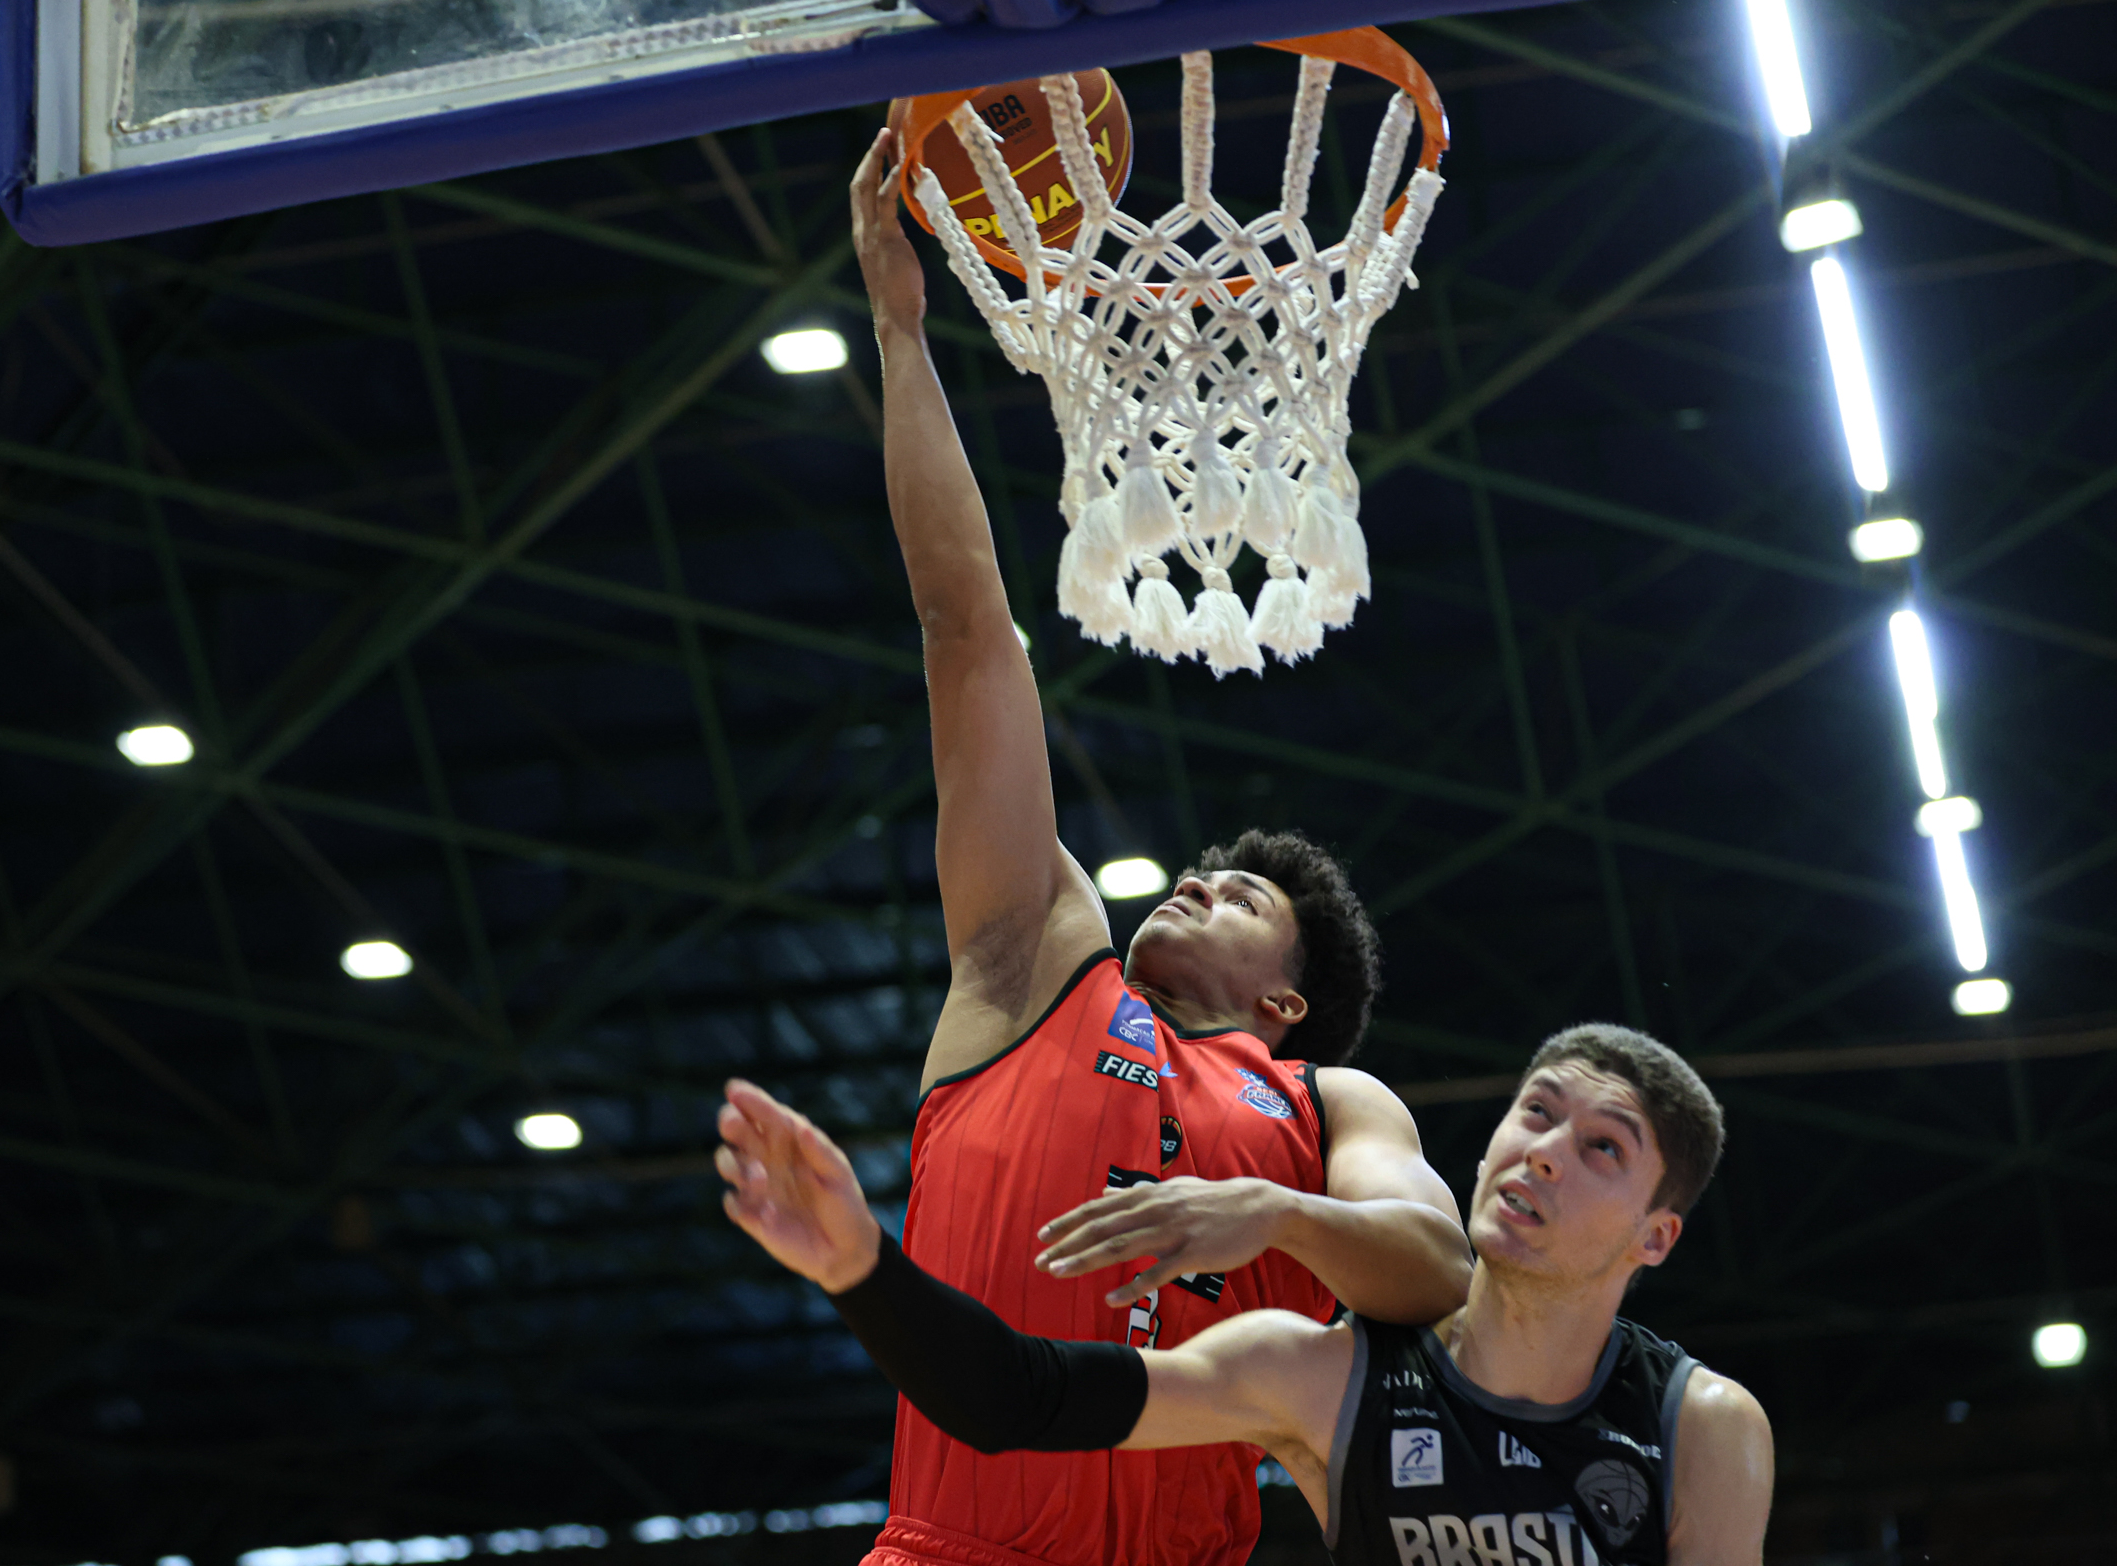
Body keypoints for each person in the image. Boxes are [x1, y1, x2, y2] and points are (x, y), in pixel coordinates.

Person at [843, 120, 1472, 1566]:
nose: (1194, 880)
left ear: (1286, 998)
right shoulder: (1033, 962)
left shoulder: (1330, 1108)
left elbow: (1435, 1268)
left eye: (1239, 894)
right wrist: (899, 331)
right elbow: (966, 631)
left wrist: (1264, 1210)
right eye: (1200, 871)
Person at [715, 1023, 1774, 1566]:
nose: (1543, 1152)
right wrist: (859, 1263)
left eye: (1601, 1148)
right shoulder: (1319, 1375)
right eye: (1535, 1113)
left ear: (1655, 1235)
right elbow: (1015, 1395)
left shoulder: (1699, 1421)